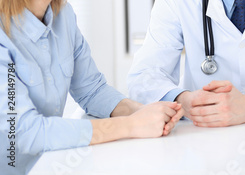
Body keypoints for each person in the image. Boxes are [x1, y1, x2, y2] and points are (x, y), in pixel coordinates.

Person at [0, 1, 184, 173]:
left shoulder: (63, 15)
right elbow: (24, 132)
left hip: (47, 166)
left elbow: (92, 90)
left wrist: (146, 112)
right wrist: (130, 125)